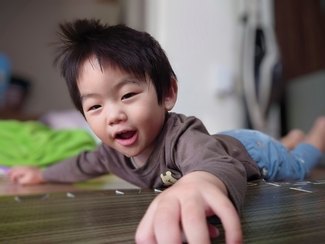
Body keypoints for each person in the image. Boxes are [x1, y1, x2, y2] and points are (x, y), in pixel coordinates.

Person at [7, 19, 325, 244]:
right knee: (251, 148)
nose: (114, 115)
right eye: (95, 107)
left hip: (254, 154)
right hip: (225, 143)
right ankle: (288, 139)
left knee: (295, 168)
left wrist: (196, 183)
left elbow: (215, 165)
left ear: (167, 93)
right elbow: (80, 164)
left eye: (128, 95)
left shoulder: (182, 138)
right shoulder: (111, 153)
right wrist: (42, 173)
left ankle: (313, 137)